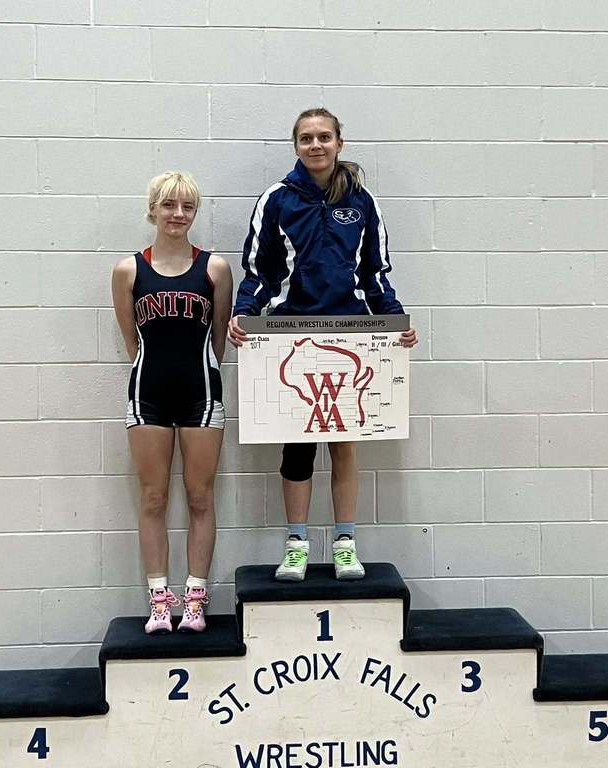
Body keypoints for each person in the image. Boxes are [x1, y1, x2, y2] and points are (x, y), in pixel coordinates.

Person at [227, 108, 417, 583]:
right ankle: (296, 545)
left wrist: (394, 323)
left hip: (350, 331)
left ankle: (345, 543)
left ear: (339, 142)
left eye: (324, 137)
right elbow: (259, 270)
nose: (316, 145)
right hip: (290, 332)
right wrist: (241, 315)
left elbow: (375, 274)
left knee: (344, 443)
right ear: (296, 145)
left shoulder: (363, 201)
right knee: (298, 446)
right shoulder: (276, 200)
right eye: (307, 138)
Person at [111, 171, 233, 633]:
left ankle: (195, 599)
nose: (178, 215)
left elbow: (218, 338)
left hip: (202, 393)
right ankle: (160, 600)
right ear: (153, 210)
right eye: (168, 205)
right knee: (153, 497)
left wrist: (197, 371)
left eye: (186, 207)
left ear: (195, 213)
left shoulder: (216, 269)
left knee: (201, 496)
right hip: (148, 395)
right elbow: (132, 340)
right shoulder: (127, 270)